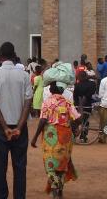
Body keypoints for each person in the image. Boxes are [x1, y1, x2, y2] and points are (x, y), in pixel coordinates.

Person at [0, 42, 32, 199]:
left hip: (1, 127)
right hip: (20, 125)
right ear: (14, 57)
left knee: (0, 166)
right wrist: (19, 127)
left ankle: (0, 196)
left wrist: (5, 127)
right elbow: (27, 103)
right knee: (20, 166)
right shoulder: (24, 75)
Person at [31, 64, 78, 198]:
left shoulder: (47, 103)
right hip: (65, 138)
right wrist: (73, 126)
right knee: (62, 164)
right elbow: (77, 118)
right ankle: (59, 189)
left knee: (50, 164)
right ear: (62, 90)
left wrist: (34, 138)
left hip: (50, 137)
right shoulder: (68, 102)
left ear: (51, 89)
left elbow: (42, 121)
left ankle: (56, 190)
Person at [72, 70, 96, 143]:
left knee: (76, 121)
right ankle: (83, 136)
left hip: (78, 105)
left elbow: (75, 96)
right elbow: (91, 94)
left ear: (79, 77)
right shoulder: (92, 84)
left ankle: (74, 135)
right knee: (86, 121)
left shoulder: (77, 85)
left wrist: (78, 104)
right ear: (86, 76)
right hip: (87, 105)